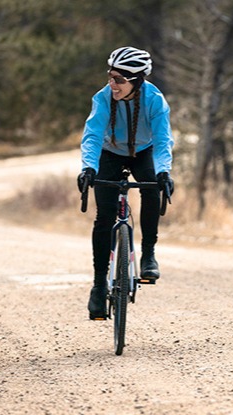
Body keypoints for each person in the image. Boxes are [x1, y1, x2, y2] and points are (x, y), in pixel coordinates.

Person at [78, 46, 175, 320]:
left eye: (119, 79)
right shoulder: (103, 98)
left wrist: (163, 172)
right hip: (110, 152)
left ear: (137, 80)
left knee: (152, 189)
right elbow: (93, 135)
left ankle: (148, 255)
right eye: (110, 76)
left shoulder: (154, 99)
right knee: (104, 216)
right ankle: (98, 286)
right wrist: (88, 167)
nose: (112, 84)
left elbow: (163, 140)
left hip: (144, 151)